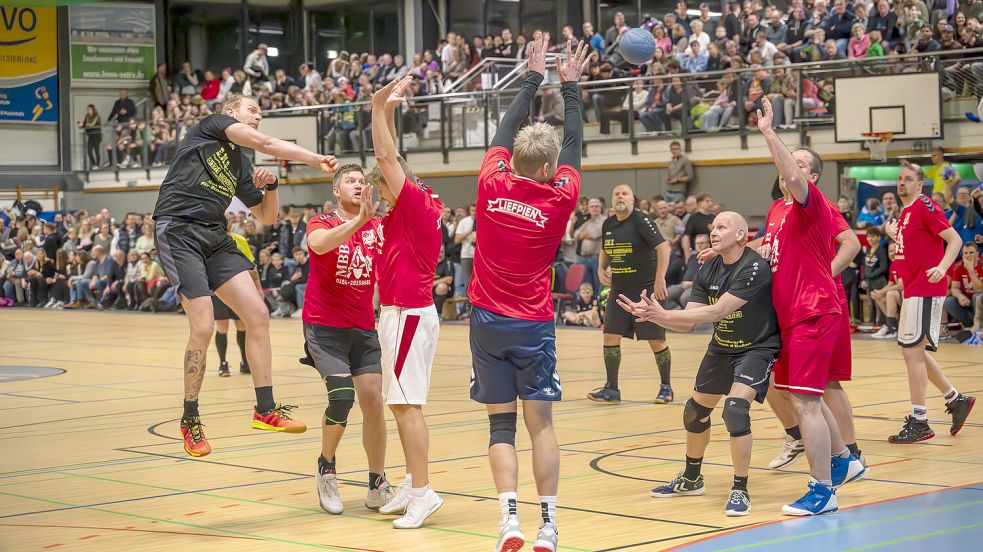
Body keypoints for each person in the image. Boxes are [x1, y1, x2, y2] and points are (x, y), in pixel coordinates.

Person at [153, 94, 337, 457]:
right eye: (252, 110)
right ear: (230, 113)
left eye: (260, 114)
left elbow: (267, 217)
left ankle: (265, 410)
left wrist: (272, 186)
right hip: (178, 229)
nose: (257, 117)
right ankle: (190, 417)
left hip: (214, 235)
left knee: (258, 314)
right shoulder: (210, 127)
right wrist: (315, 158)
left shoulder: (241, 162)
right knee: (203, 326)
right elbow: (266, 142)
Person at [468, 35, 587, 552]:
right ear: (546, 169)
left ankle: (509, 521)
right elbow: (575, 142)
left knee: (501, 426)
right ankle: (548, 526)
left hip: (486, 323)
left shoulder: (491, 182)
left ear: (512, 158)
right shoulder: (560, 197)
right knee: (541, 427)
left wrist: (533, 77)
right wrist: (571, 87)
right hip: (533, 324)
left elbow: (503, 127)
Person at [619, 212, 780, 517]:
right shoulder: (707, 269)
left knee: (735, 409)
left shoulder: (754, 267)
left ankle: (740, 488)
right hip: (722, 347)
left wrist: (664, 313)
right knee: (694, 413)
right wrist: (655, 315)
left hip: (756, 348)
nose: (714, 232)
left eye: (722, 227)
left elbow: (717, 312)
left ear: (741, 235)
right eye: (713, 227)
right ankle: (692, 478)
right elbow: (690, 321)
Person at [755, 99, 864, 515]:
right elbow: (775, 253)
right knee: (806, 396)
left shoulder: (810, 200)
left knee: (806, 401)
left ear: (810, 176)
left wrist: (769, 133)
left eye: (799, 163)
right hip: (787, 314)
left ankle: (823, 491)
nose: (791, 168)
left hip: (812, 310)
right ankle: (843, 460)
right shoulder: (777, 209)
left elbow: (848, 243)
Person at [367, 76, 445, 528]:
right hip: (405, 314)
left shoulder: (413, 204)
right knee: (401, 404)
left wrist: (377, 108)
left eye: (380, 191)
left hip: (408, 315)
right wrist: (390, 110)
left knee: (406, 405)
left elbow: (386, 156)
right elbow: (393, 157)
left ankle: (423, 493)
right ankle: (413, 483)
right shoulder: (417, 201)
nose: (379, 200)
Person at [300, 164, 395, 515]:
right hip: (324, 326)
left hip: (362, 326)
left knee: (373, 400)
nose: (357, 185)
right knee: (341, 397)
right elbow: (318, 245)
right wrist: (358, 222)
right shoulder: (322, 222)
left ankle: (377, 483)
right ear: (336, 191)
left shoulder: (377, 226)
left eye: (361, 181)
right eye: (350, 181)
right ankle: (326, 467)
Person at [886, 161, 975, 443]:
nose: (902, 182)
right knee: (915, 352)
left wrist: (943, 267)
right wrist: (895, 234)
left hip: (926, 287)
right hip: (913, 289)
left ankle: (920, 420)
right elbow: (913, 246)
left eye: (908, 178)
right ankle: (955, 399)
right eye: (899, 178)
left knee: (912, 353)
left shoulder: (924, 205)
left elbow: (955, 239)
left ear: (919, 184)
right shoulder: (906, 211)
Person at [588, 184, 672, 404]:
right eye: (616, 194)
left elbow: (664, 247)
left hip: (644, 290)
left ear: (632, 199)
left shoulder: (641, 220)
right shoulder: (608, 223)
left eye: (624, 193)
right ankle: (612, 389)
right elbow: (605, 249)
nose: (620, 196)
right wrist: (600, 269)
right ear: (612, 200)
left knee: (656, 340)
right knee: (609, 335)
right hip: (619, 290)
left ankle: (666, 388)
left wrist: (660, 278)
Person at [214, 233, 259, 377]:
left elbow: (252, 265)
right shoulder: (210, 238)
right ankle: (223, 363)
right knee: (222, 326)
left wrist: (258, 288)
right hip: (217, 287)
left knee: (241, 325)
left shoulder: (240, 239)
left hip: (238, 289)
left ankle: (245, 362)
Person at [946, 242, 983, 330]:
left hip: (979, 300)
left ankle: (979, 325)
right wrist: (960, 296)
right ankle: (969, 325)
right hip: (966, 298)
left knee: (977, 297)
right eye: (965, 253)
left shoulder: (981, 265)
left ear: (977, 253)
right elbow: (954, 288)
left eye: (971, 252)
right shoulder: (958, 266)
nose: (968, 255)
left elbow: (980, 288)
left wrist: (970, 270)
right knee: (949, 302)